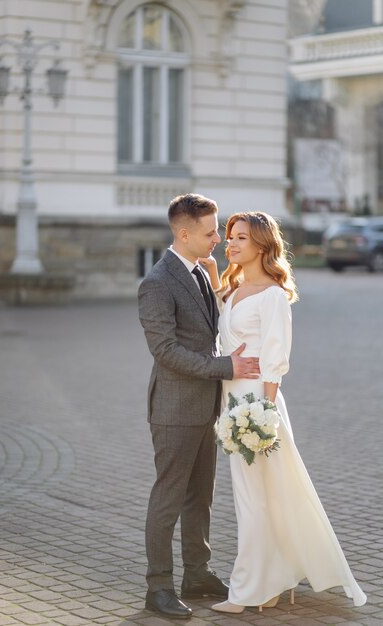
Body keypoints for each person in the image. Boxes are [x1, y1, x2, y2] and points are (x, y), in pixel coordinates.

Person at [199, 211, 367, 613]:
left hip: (256, 404)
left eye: (241, 238)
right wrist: (209, 268)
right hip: (231, 397)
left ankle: (248, 591)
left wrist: (263, 415)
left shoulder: (273, 295)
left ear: (261, 245)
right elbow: (223, 332)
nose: (231, 244)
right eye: (229, 237)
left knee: (256, 498)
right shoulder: (232, 288)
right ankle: (272, 581)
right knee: (260, 497)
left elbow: (276, 359)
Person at [137, 194, 261, 619]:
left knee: (199, 497)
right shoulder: (156, 283)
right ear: (184, 233)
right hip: (174, 409)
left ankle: (198, 573)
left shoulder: (199, 271)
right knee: (168, 498)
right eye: (210, 233)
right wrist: (227, 366)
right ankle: (158, 589)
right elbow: (166, 351)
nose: (217, 239)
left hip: (205, 406)